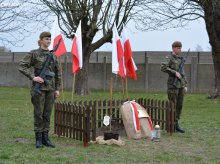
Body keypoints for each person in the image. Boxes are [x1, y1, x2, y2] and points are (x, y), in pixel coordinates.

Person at [18, 32, 61, 148]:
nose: (49, 41)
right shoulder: (34, 53)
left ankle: (45, 138)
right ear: (41, 40)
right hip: (39, 90)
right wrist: (33, 77)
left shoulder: (53, 56)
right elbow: (22, 66)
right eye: (46, 39)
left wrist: (57, 89)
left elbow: (58, 73)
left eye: (49, 39)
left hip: (50, 89)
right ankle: (38, 139)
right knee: (38, 114)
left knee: (47, 114)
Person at [161, 41, 187, 133]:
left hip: (180, 86)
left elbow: (182, 74)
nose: (180, 50)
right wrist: (174, 72)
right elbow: (163, 67)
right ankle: (170, 124)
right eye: (178, 48)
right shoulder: (169, 58)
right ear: (174, 48)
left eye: (180, 48)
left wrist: (185, 85)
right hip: (173, 86)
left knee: (179, 105)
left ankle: (176, 124)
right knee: (173, 105)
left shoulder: (180, 60)